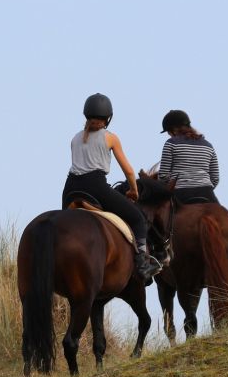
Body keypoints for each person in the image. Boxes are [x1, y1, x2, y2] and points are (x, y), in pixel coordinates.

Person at [61, 93, 162, 281]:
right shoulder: (110, 137)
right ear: (108, 118)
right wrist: (134, 190)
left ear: (86, 115)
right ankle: (142, 264)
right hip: (96, 187)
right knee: (138, 219)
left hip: (70, 189)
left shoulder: (75, 138)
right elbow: (130, 172)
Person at [158, 110, 228, 294]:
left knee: (159, 228)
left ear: (174, 129)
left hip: (180, 194)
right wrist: (203, 187)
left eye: (168, 131)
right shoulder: (208, 145)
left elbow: (164, 176)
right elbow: (215, 177)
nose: (168, 134)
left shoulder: (170, 144)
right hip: (207, 193)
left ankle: (155, 265)